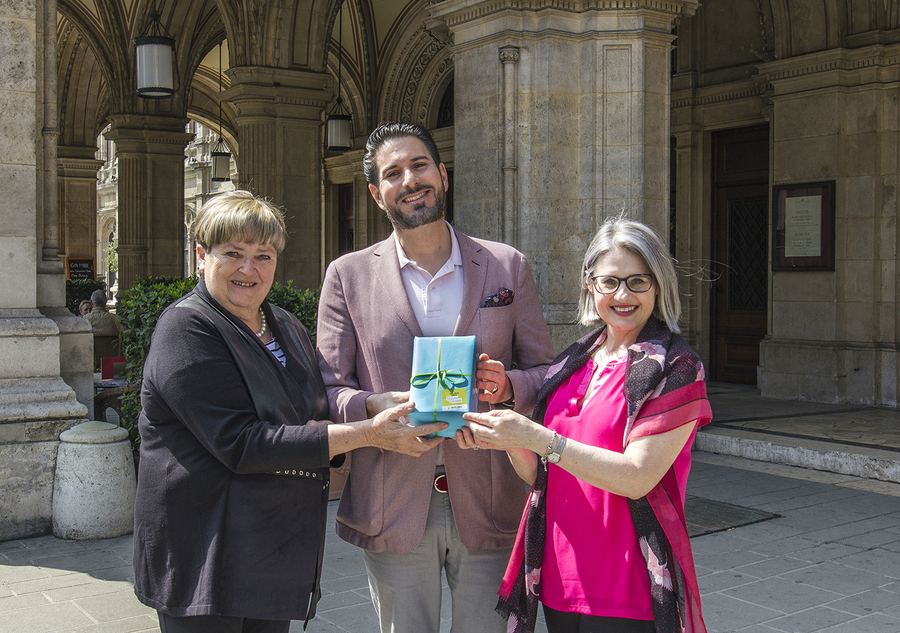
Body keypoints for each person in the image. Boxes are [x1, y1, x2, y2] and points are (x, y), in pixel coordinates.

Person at [133, 190, 447, 633]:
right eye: (233, 253)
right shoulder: (186, 328)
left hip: (275, 549)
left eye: (263, 255)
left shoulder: (286, 326)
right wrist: (368, 433)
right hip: (208, 550)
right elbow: (242, 443)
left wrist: (372, 405)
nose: (249, 268)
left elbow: (313, 412)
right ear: (201, 255)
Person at [316, 122, 556, 633]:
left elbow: (547, 371)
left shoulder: (505, 266)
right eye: (393, 172)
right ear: (376, 193)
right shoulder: (347, 276)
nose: (410, 180)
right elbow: (329, 389)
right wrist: (378, 411)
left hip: (492, 497)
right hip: (393, 500)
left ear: (443, 174)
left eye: (419, 165)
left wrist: (510, 386)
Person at [461, 217, 712, 633]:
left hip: (626, 584)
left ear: (659, 285)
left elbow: (637, 477)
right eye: (610, 282)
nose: (623, 295)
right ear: (589, 284)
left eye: (638, 282)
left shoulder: (677, 367)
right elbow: (540, 473)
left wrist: (538, 436)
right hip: (560, 574)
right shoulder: (571, 361)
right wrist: (505, 432)